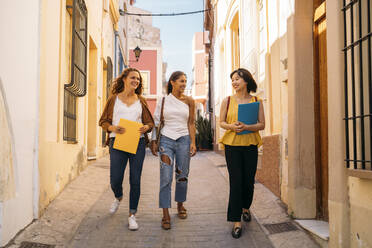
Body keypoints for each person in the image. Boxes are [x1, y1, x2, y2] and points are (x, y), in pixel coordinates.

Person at [99, 67, 154, 231]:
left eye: (138, 79)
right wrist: (113, 128)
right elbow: (103, 122)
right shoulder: (113, 99)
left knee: (135, 179)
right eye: (133, 78)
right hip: (117, 142)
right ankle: (118, 196)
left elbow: (150, 123)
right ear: (124, 79)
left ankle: (132, 215)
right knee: (115, 178)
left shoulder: (141, 101)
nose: (136, 81)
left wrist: (146, 127)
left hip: (137, 143)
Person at [219, 68, 265, 239]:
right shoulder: (227, 101)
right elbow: (222, 122)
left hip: (250, 145)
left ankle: (246, 207)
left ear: (246, 81)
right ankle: (236, 221)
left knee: (248, 182)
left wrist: (247, 127)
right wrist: (232, 127)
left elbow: (262, 124)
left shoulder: (257, 101)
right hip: (232, 146)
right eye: (232, 79)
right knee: (236, 182)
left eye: (237, 79)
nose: (234, 82)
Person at [150, 71, 196, 230]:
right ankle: (165, 213)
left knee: (182, 176)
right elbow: (157, 122)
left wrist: (193, 142)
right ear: (172, 82)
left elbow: (191, 123)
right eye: (181, 81)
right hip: (166, 140)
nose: (184, 84)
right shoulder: (163, 100)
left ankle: (180, 205)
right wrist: (154, 141)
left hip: (184, 140)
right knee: (166, 178)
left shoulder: (190, 101)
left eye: (185, 81)